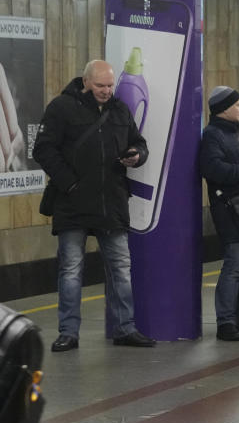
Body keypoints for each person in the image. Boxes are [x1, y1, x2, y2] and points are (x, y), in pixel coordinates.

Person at [33, 60, 155, 352]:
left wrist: (136, 155)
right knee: (71, 269)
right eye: (100, 85)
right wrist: (70, 184)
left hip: (111, 202)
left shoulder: (119, 109)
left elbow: (140, 143)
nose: (106, 91)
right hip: (72, 203)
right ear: (86, 82)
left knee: (120, 268)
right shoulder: (61, 108)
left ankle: (125, 328)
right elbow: (43, 149)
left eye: (110, 85)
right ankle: (68, 332)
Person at [199, 86, 239, 341]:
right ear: (223, 109)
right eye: (237, 104)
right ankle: (226, 321)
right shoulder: (213, 135)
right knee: (235, 263)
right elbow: (211, 167)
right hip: (230, 210)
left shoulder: (236, 134)